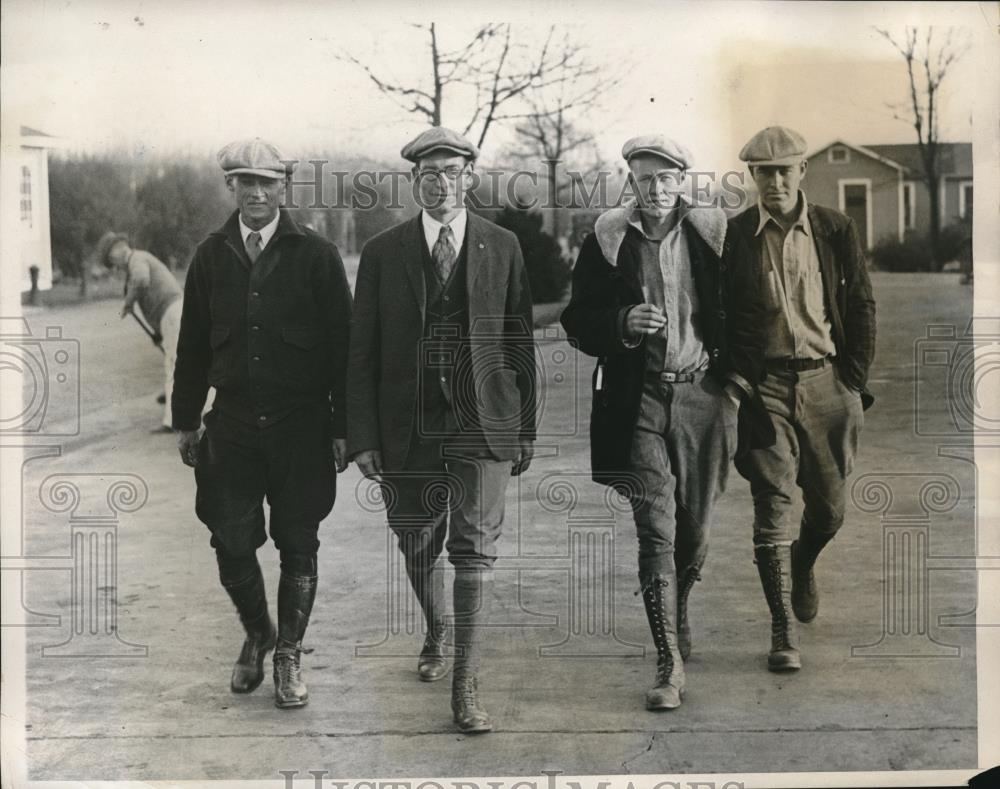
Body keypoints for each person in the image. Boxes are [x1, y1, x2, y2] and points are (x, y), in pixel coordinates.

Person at [560, 135, 773, 711]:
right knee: (656, 528)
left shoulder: (714, 235)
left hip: (704, 395)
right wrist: (623, 320)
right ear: (630, 181)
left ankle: (678, 611)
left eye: (664, 179)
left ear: (682, 180)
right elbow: (577, 319)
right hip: (637, 401)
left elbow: (753, 312)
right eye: (643, 179)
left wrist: (735, 385)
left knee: (695, 527)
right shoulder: (608, 239)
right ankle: (667, 661)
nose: (654, 190)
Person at [346, 126, 536, 733]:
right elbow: (362, 352)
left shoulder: (501, 245)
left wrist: (525, 425)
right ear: (414, 183)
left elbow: (519, 336)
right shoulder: (382, 252)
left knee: (474, 548)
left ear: (469, 178)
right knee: (416, 541)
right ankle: (436, 629)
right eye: (428, 174)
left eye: (451, 172)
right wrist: (364, 436)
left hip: (484, 421)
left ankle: (466, 684)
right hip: (408, 426)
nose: (440, 183)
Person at [171, 137, 353, 709]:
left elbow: (346, 351)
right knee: (229, 536)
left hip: (302, 426)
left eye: (266, 182)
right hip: (232, 424)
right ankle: (258, 632)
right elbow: (192, 346)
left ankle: (289, 656)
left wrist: (345, 426)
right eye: (244, 182)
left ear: (284, 188)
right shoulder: (210, 255)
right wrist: (185, 421)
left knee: (299, 542)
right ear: (231, 187)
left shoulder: (317, 256)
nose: (255, 192)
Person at [730, 126, 876, 672]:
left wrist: (853, 380)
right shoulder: (736, 235)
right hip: (765, 385)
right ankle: (781, 631)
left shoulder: (834, 228)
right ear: (752, 177)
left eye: (783, 170)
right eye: (762, 172)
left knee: (831, 511)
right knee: (771, 503)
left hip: (828, 382)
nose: (773, 181)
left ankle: (805, 560)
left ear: (801, 173)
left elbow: (861, 304)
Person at [97, 232, 183, 431]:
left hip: (171, 313)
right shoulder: (137, 260)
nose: (115, 265)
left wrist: (128, 303)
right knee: (182, 363)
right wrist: (159, 333)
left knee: (175, 366)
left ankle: (174, 420)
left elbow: (142, 280)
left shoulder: (137, 259)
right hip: (171, 315)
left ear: (120, 247)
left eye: (112, 258)